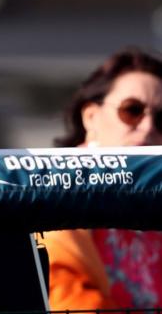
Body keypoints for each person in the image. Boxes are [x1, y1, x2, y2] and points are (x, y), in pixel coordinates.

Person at [46, 47, 162, 312]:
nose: (147, 127)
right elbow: (66, 298)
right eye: (132, 110)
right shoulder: (56, 192)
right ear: (91, 117)